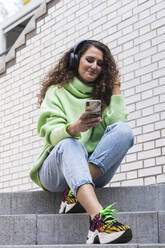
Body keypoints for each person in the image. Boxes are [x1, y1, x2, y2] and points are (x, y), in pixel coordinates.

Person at [30, 40, 134, 244]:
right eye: (90, 60)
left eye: (100, 63)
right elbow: (50, 133)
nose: (95, 66)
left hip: (91, 170)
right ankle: (100, 222)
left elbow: (118, 129)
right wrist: (74, 128)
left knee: (124, 131)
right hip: (56, 171)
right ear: (75, 61)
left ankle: (73, 195)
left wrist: (115, 88)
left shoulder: (101, 94)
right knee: (71, 143)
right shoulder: (56, 91)